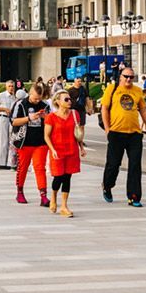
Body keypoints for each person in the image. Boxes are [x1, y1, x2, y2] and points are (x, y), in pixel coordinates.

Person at [100, 68, 146, 207]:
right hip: (116, 132)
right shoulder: (112, 89)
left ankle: (134, 196)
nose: (129, 79)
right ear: (120, 77)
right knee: (113, 164)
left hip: (134, 134)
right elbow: (104, 108)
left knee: (135, 165)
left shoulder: (137, 91)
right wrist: (107, 129)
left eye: (131, 77)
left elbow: (143, 109)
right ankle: (107, 185)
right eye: (126, 77)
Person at [11, 81, 52, 206]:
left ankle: (43, 196)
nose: (36, 101)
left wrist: (46, 117)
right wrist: (29, 118)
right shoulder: (20, 104)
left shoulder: (44, 105)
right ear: (30, 93)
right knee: (22, 168)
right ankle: (20, 192)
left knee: (40, 168)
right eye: (34, 98)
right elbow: (13, 121)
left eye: (39, 99)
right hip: (24, 142)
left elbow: (51, 121)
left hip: (40, 142)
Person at [44, 88, 83, 218]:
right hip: (57, 151)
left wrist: (81, 147)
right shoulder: (51, 117)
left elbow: (78, 133)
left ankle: (64, 206)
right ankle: (53, 197)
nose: (69, 101)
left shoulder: (74, 114)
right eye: (66, 99)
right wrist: (52, 149)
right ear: (58, 102)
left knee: (67, 177)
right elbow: (46, 136)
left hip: (72, 150)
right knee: (58, 177)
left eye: (70, 99)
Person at [0, 81, 16, 169]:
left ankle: (13, 162)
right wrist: (4, 109)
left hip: (11, 119)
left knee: (12, 140)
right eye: (9, 86)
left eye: (12, 86)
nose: (11, 88)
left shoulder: (14, 97)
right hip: (3, 118)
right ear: (6, 87)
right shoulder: (1, 96)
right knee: (4, 140)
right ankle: (1, 163)